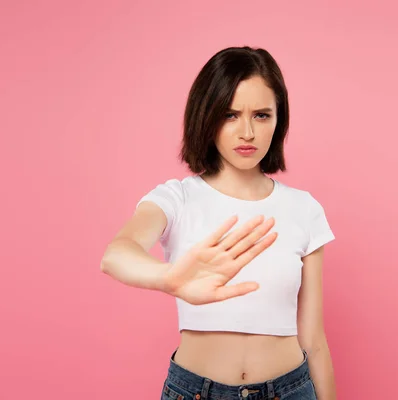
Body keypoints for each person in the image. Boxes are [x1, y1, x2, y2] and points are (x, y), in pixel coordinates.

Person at [100, 46, 337, 400]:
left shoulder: (304, 208)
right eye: (229, 115)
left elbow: (314, 340)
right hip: (195, 392)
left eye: (261, 115)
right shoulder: (177, 198)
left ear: (278, 119)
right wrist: (169, 278)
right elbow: (117, 254)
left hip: (289, 391)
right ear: (206, 117)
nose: (247, 132)